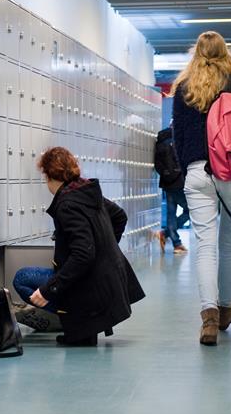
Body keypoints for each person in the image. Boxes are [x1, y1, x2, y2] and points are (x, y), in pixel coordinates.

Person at [170, 31, 231, 346]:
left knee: (204, 246)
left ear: (196, 53)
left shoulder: (183, 88)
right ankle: (224, 309)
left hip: (197, 172)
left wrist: (189, 168)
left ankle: (208, 318)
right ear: (225, 52)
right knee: (228, 245)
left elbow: (177, 136)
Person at [12, 147, 145, 346]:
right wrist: (104, 253)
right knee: (42, 276)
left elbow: (83, 254)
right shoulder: (85, 190)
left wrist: (48, 290)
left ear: (49, 176)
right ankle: (78, 323)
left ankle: (75, 322)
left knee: (22, 278)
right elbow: (119, 216)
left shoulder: (67, 203)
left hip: (91, 288)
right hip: (108, 282)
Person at [154, 126, 189, 254]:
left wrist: (166, 175)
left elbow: (157, 164)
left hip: (167, 182)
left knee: (171, 211)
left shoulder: (160, 141)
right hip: (178, 182)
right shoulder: (178, 141)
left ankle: (175, 243)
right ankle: (169, 236)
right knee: (189, 210)